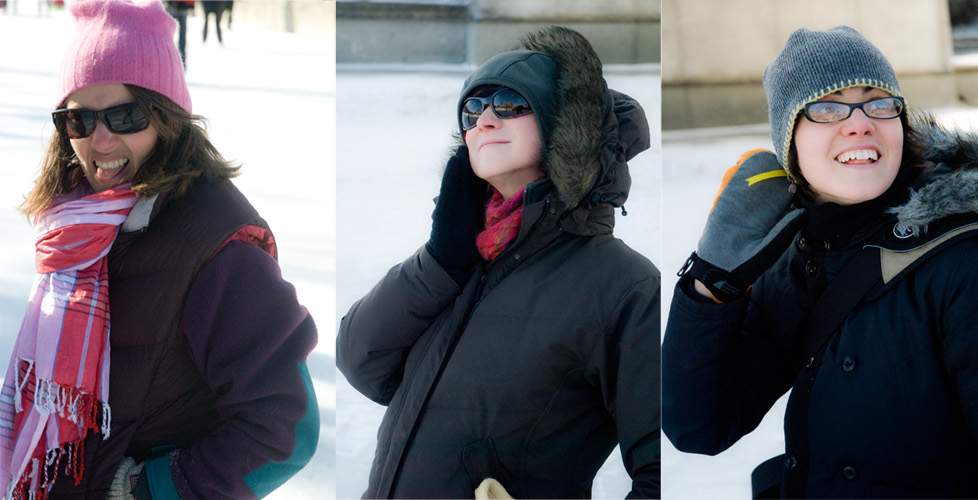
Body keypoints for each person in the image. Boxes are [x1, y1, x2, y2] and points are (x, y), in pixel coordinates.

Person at [0, 0, 319, 498]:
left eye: (125, 115)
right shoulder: (76, 229)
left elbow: (287, 433)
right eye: (79, 121)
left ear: (166, 116)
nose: (99, 141)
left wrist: (149, 488)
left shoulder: (217, 245)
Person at [662, 25, 978, 499]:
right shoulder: (800, 259)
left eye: (879, 102)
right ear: (789, 145)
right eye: (825, 107)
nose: (860, 123)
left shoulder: (969, 260)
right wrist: (711, 280)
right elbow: (698, 427)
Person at [336, 26, 660, 499]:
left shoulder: (622, 286)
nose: (484, 119)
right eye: (472, 108)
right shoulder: (457, 260)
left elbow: (661, 469)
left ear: (565, 128)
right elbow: (361, 362)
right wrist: (439, 262)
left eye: (509, 104)